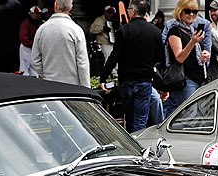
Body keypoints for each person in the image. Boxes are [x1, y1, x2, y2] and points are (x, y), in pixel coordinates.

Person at [100, 0, 165, 131]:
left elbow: (115, 56)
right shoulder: (155, 32)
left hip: (127, 79)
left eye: (129, 9)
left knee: (129, 117)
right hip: (144, 79)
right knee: (141, 119)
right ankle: (139, 145)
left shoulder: (124, 30)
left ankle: (131, 142)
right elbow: (160, 58)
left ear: (133, 11)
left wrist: (103, 77)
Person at [30, 0, 90, 87]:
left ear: (55, 5)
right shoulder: (76, 30)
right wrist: (86, 88)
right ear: (71, 8)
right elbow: (82, 63)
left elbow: (35, 61)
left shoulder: (42, 29)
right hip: (73, 85)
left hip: (50, 83)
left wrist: (47, 75)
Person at [164, 0, 208, 116]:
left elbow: (193, 55)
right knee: (188, 116)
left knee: (197, 116)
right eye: (188, 11)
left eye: (194, 11)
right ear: (180, 12)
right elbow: (179, 57)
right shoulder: (175, 31)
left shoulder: (192, 30)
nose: (191, 14)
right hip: (186, 80)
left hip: (198, 78)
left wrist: (204, 55)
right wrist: (192, 42)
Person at [19, 6, 44, 76]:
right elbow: (24, 38)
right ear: (32, 14)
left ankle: (34, 78)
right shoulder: (26, 23)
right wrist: (34, 44)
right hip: (26, 47)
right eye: (37, 14)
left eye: (39, 14)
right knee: (25, 65)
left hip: (33, 47)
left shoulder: (37, 23)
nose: (38, 15)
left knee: (34, 65)